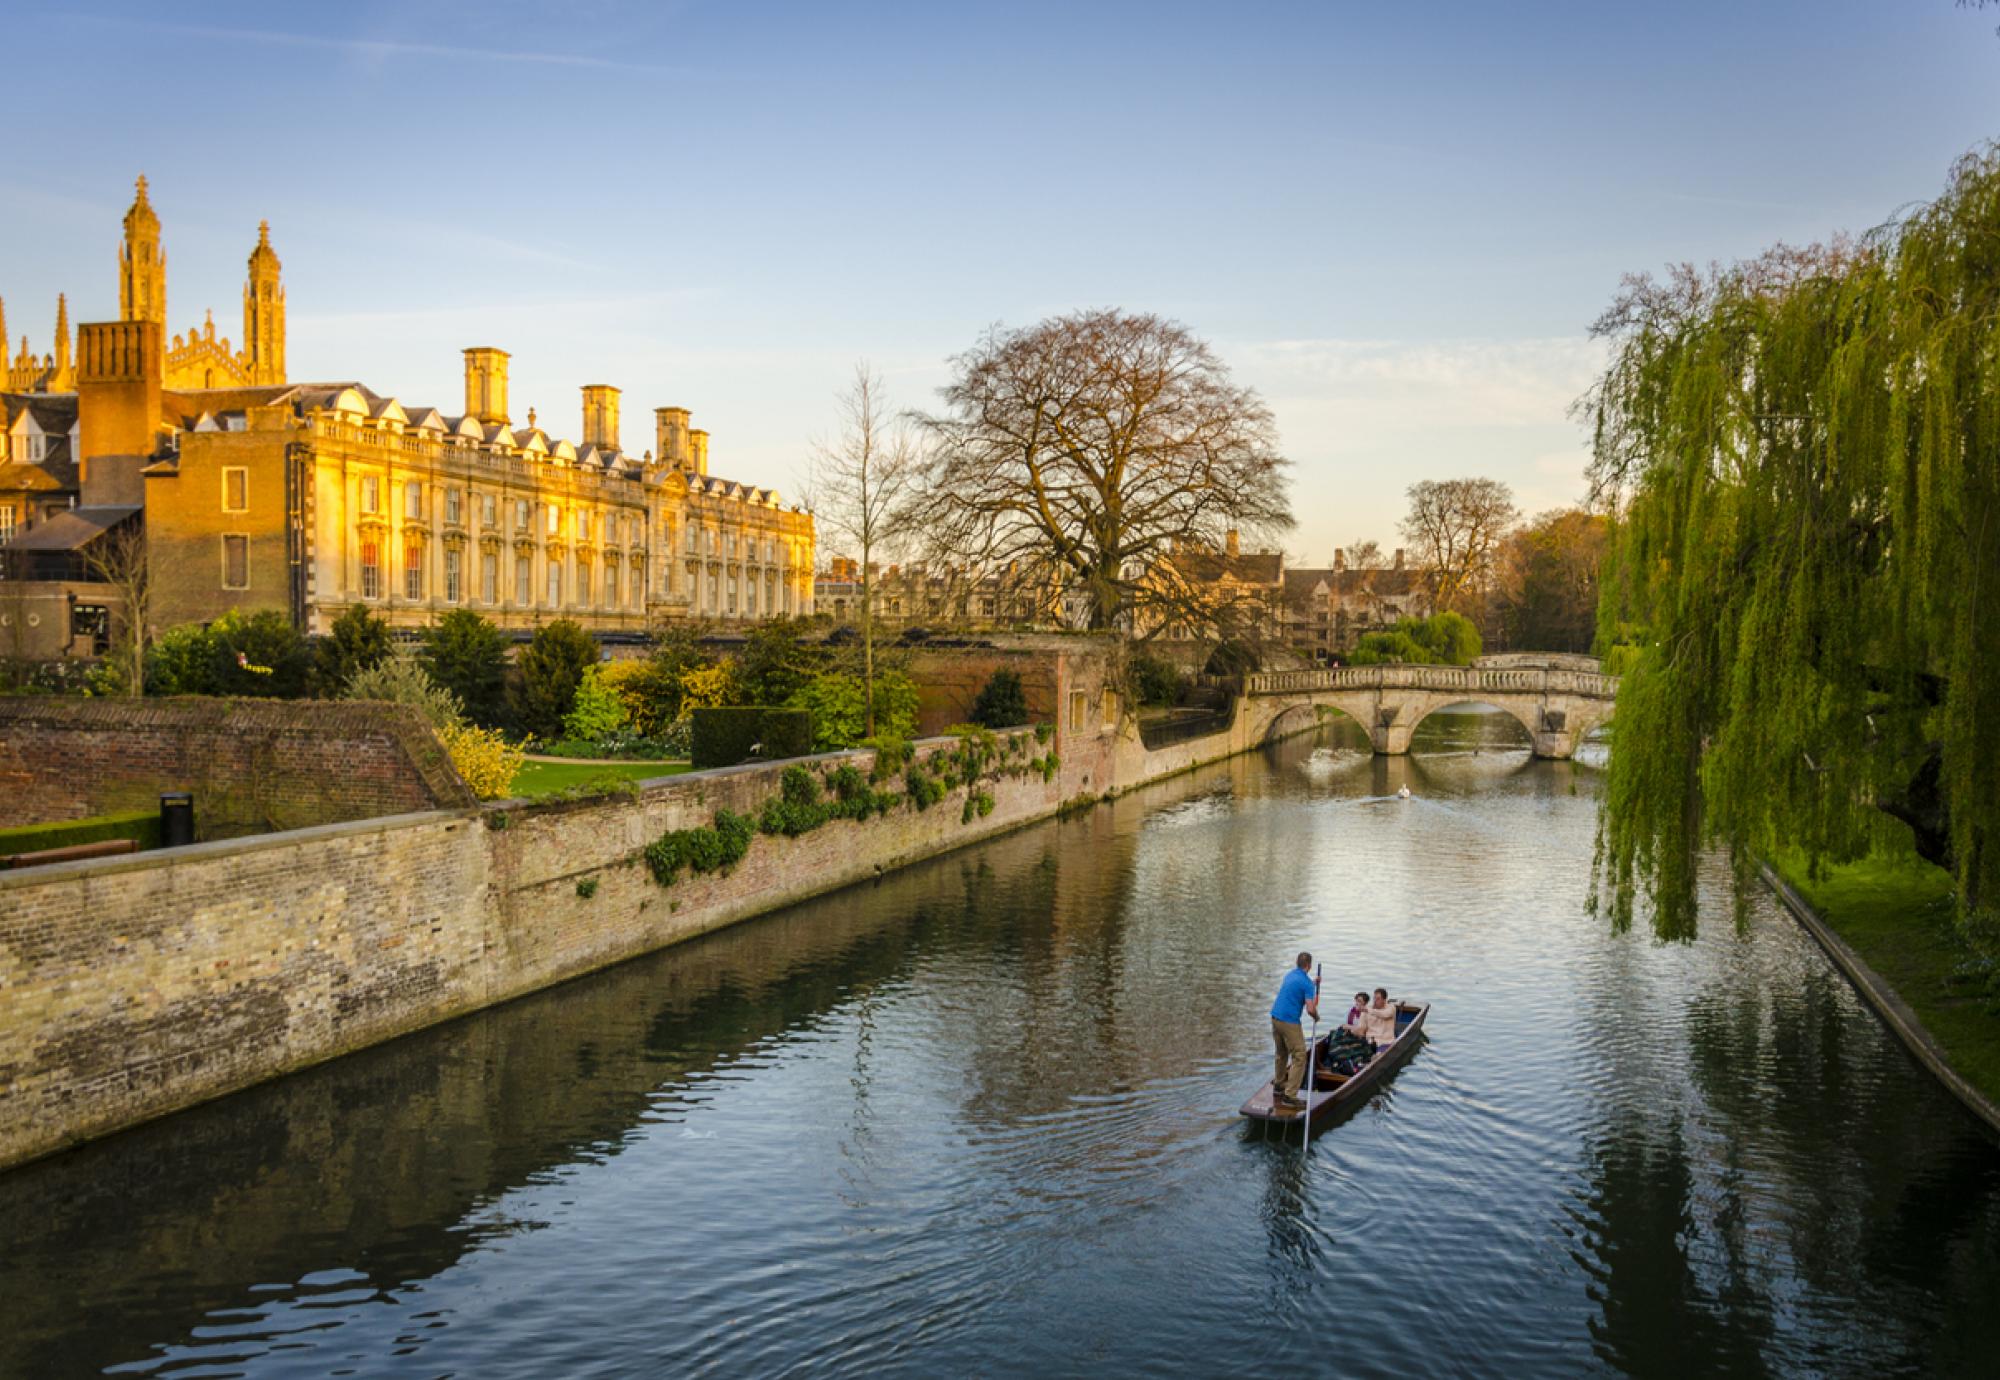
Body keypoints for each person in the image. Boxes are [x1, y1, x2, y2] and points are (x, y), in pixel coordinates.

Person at [1268, 952, 1319, 1112]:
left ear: (1298, 963)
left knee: (1281, 1052)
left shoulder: (1290, 975)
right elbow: (1310, 1008)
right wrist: (1316, 1017)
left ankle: (1279, 1084)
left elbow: (1299, 985)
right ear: (1309, 966)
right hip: (1289, 1021)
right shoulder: (1307, 984)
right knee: (1300, 1055)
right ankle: (1290, 1096)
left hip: (1275, 1017)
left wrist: (1313, 983)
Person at [1362, 987, 1399, 1051]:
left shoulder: (1391, 1008)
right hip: (1369, 1041)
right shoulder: (1368, 1008)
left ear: (1384, 1000)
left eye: (1378, 999)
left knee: (1377, 1056)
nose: (1375, 1001)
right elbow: (1362, 1027)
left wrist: (1369, 1010)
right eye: (1374, 998)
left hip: (1385, 1042)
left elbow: (1385, 1014)